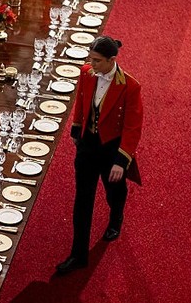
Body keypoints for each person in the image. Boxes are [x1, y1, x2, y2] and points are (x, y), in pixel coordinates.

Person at [56, 36, 143, 274]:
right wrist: (76, 128)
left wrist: (120, 161)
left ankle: (116, 217)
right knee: (82, 199)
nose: (91, 64)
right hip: (88, 146)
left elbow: (133, 127)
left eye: (96, 60)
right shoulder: (86, 73)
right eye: (90, 59)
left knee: (114, 190)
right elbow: (81, 101)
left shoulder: (130, 86)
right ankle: (78, 254)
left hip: (111, 149)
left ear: (111, 60)